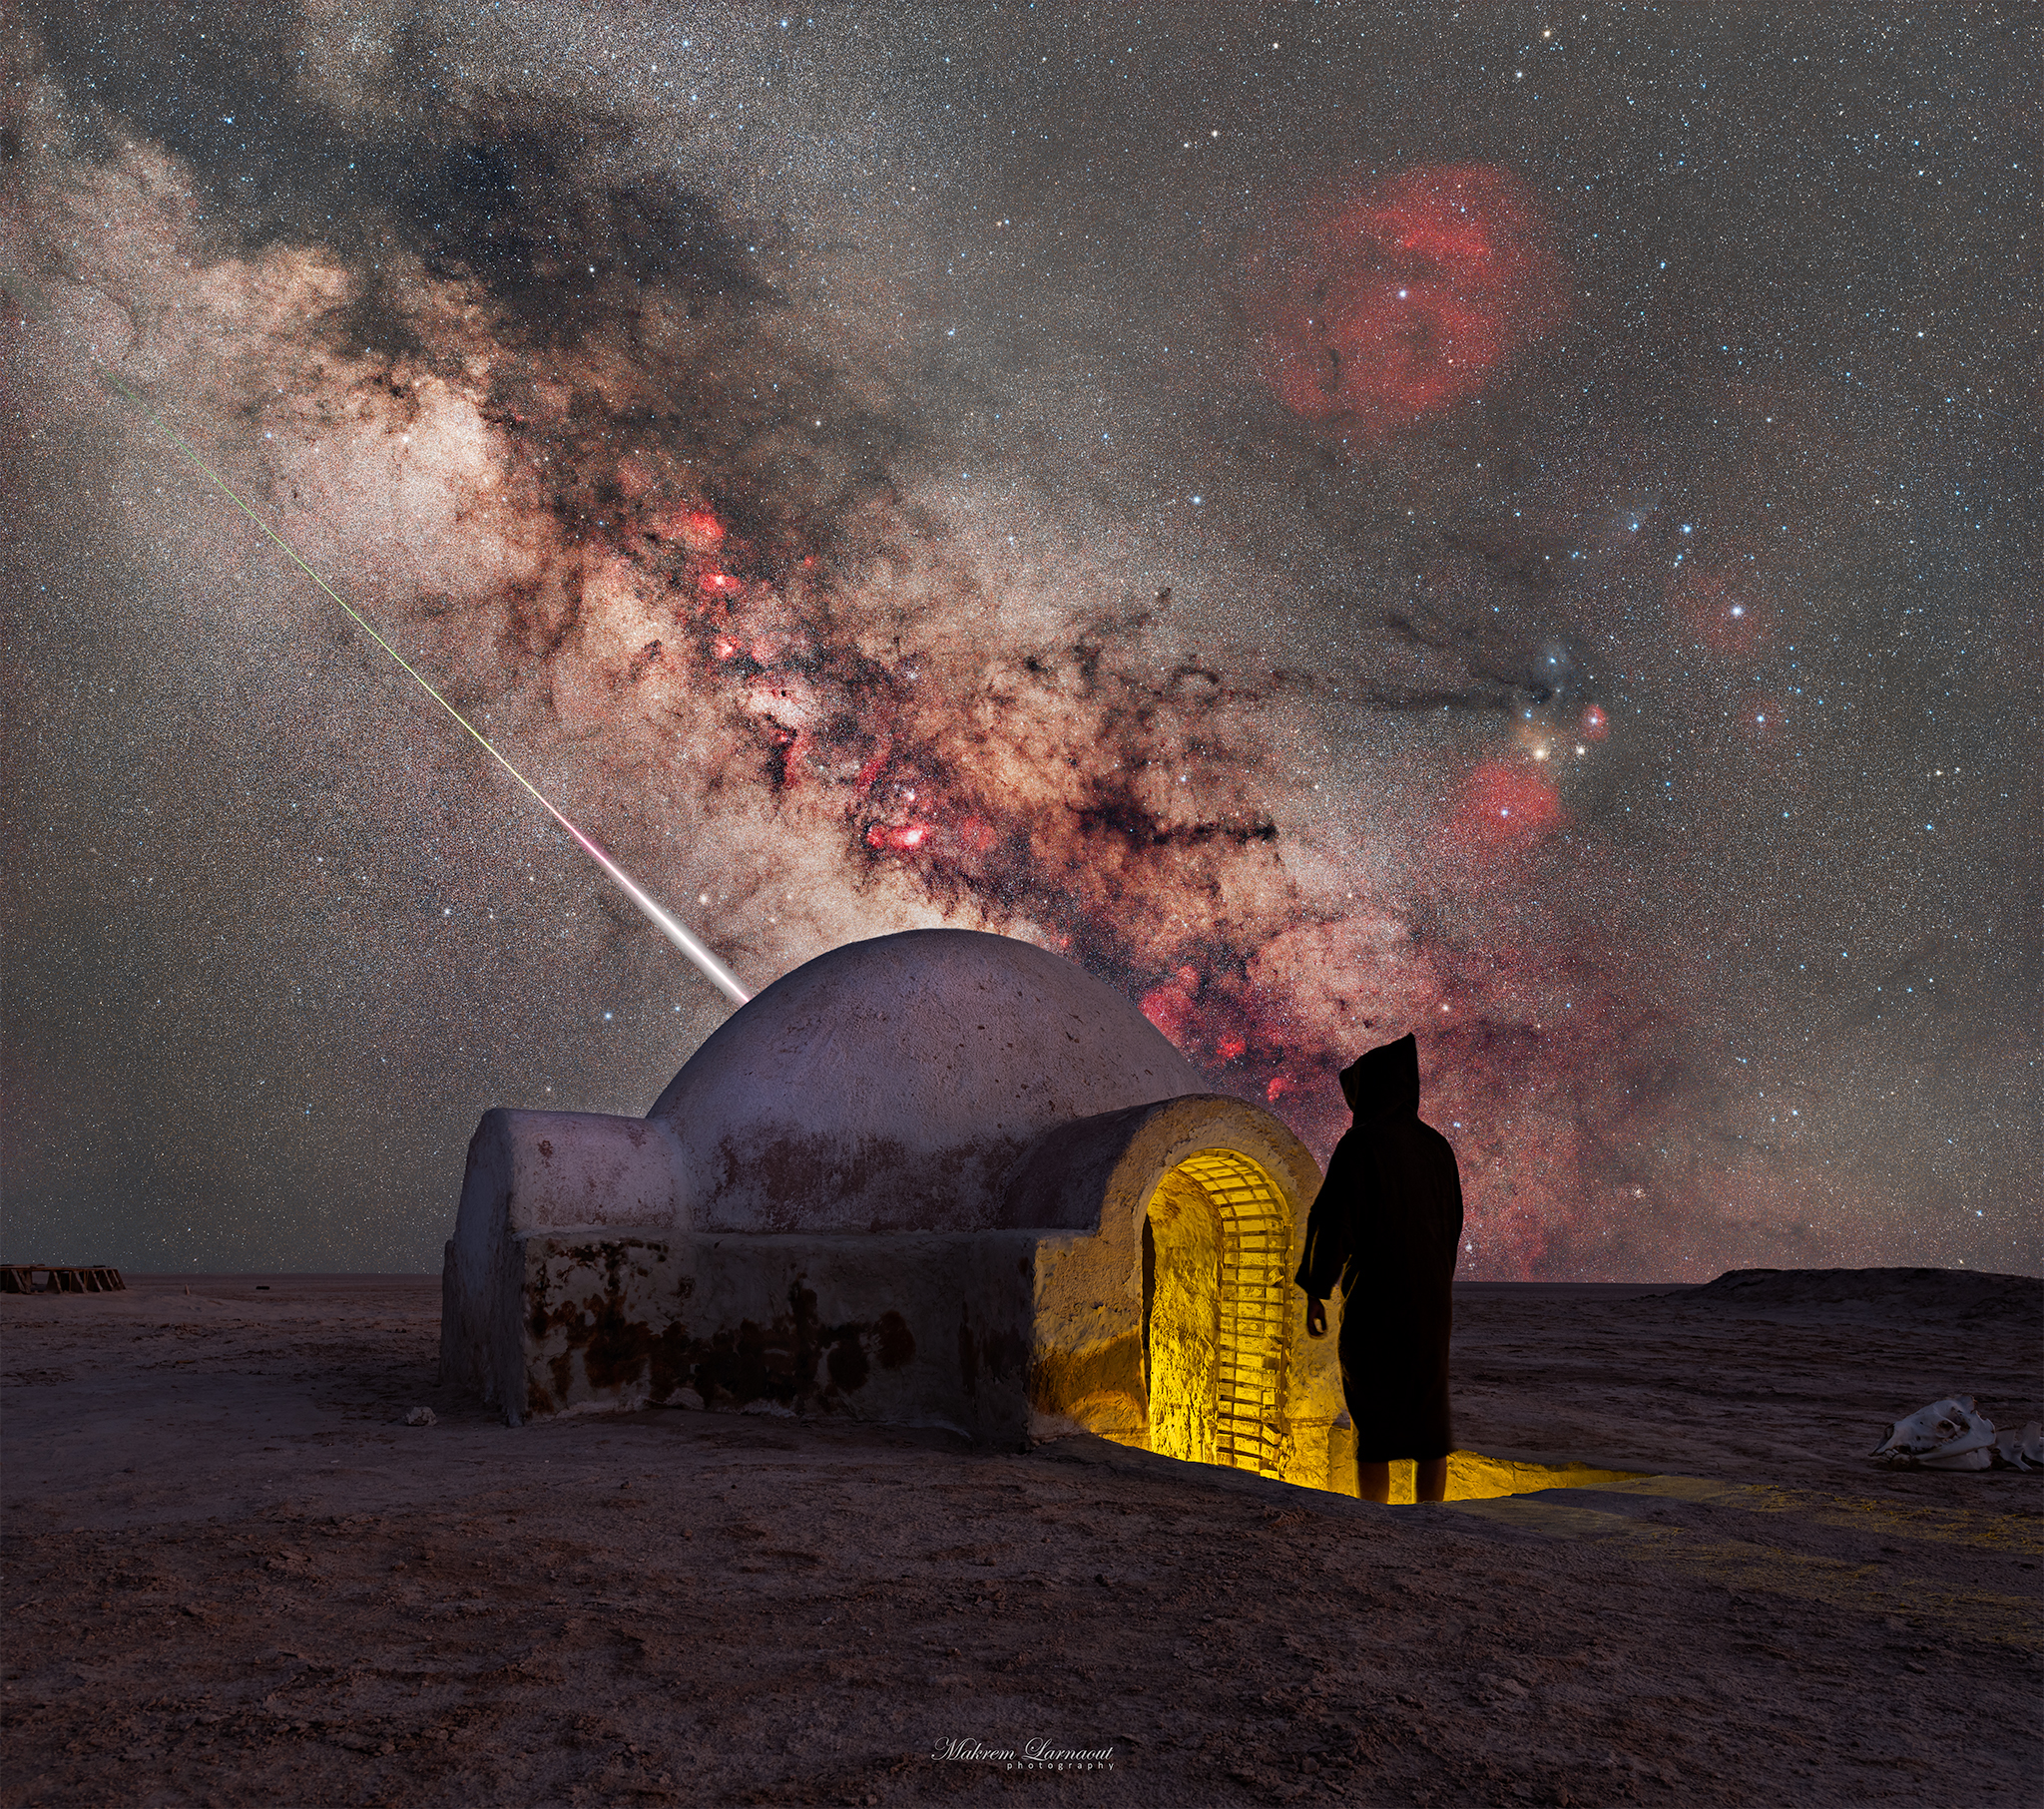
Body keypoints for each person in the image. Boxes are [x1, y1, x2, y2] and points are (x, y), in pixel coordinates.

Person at [1295, 1032, 1464, 1505]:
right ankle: (1431, 1518)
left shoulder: (1360, 1145)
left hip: (1376, 1303)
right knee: (1428, 1417)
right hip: (1431, 1305)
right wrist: (1433, 1279)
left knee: (1374, 1414)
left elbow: (1333, 1223)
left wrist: (1316, 1289)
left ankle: (1375, 1520)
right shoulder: (1438, 1148)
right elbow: (1452, 1224)